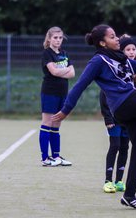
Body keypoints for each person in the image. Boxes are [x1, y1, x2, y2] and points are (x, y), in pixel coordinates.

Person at [52, 24, 136, 210]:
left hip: (129, 107)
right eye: (112, 37)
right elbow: (80, 85)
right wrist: (65, 110)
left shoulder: (123, 59)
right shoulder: (98, 61)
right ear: (102, 43)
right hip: (123, 104)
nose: (117, 38)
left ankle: (129, 195)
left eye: (116, 35)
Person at [100, 34, 136, 193]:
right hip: (114, 116)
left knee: (125, 147)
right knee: (115, 145)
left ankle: (120, 181)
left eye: (134, 49)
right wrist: (107, 117)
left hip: (130, 118)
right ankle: (108, 181)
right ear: (121, 51)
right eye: (128, 49)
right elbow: (104, 95)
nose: (131, 52)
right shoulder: (115, 68)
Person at [39, 26, 75, 167]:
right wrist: (65, 70)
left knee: (56, 124)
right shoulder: (47, 53)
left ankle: (56, 156)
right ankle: (45, 158)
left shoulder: (64, 53)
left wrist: (62, 70)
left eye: (60, 38)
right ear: (49, 39)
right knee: (47, 123)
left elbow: (72, 74)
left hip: (62, 92)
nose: (58, 40)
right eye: (55, 37)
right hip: (49, 92)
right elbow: (53, 72)